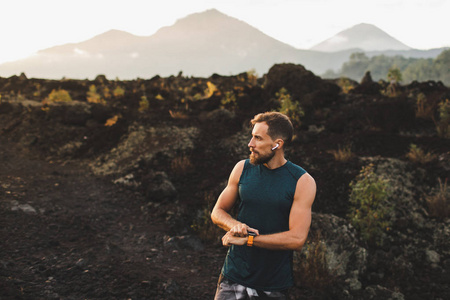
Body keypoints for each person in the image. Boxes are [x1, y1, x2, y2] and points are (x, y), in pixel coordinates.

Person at [211, 112, 316, 299]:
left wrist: (249, 240)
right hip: (234, 276)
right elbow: (217, 211)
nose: (250, 144)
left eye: (258, 138)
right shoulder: (242, 169)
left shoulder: (302, 181)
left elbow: (297, 239)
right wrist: (234, 225)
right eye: (252, 136)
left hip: (273, 284)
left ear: (277, 144)